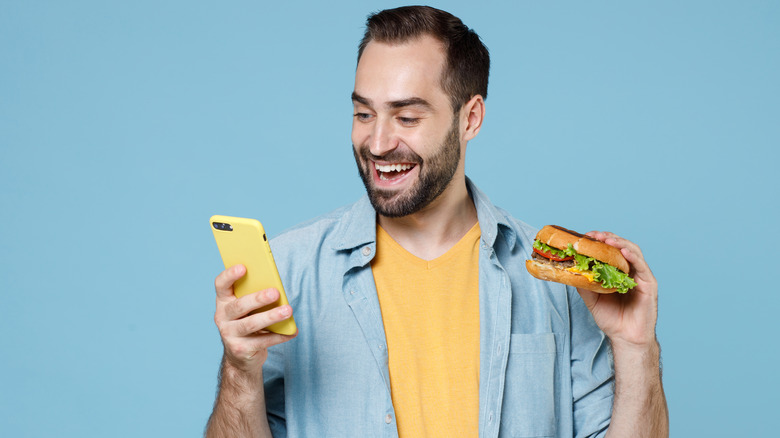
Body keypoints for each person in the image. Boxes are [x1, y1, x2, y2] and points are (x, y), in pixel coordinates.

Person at [205, 6, 668, 438]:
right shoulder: (291, 271)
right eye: (363, 113)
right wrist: (238, 373)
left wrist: (635, 349)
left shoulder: (559, 284)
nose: (378, 142)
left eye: (406, 116)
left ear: (470, 119)